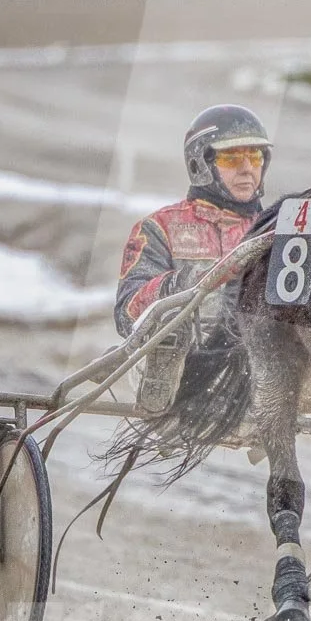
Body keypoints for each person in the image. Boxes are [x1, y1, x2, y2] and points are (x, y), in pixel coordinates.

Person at [115, 104, 272, 413]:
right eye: (232, 157)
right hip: (179, 361)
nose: (246, 168)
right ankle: (165, 390)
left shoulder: (275, 229)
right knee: (170, 329)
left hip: (252, 363)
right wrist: (181, 285)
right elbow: (126, 314)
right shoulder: (159, 227)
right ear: (201, 163)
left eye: (254, 157)